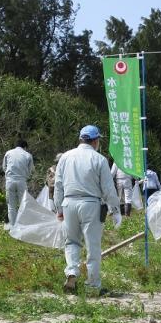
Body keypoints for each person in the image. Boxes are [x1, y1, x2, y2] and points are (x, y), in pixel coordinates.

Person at [54, 125, 121, 295]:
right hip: (91, 203)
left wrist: (58, 207)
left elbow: (58, 185)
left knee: (71, 242)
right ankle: (92, 285)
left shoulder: (65, 157)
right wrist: (115, 208)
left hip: (69, 202)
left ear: (81, 139)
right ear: (96, 140)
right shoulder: (99, 159)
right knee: (93, 246)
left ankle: (71, 271)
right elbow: (108, 188)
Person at [3, 139, 34, 227]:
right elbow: (30, 170)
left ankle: (13, 226)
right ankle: (22, 225)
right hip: (21, 181)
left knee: (11, 205)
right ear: (25, 147)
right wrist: (25, 176)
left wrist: (9, 175)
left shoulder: (8, 153)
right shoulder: (28, 155)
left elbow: (4, 167)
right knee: (23, 204)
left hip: (10, 181)